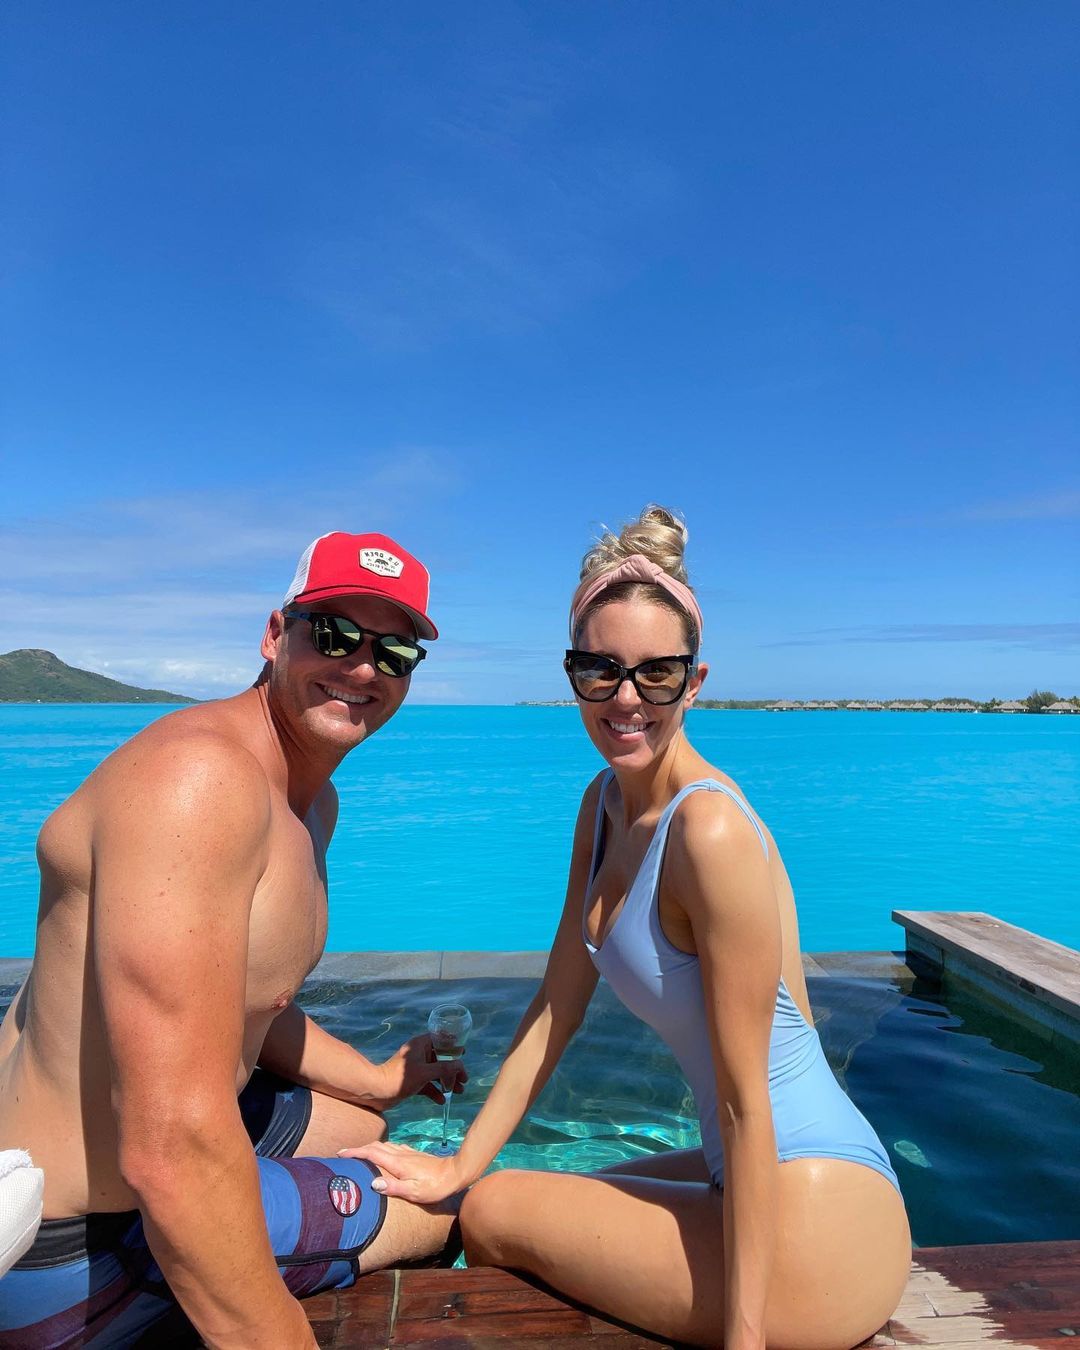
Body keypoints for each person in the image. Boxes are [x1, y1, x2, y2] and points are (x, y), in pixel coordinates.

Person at [345, 506, 912, 1350]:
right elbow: (555, 1008)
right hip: (771, 1179)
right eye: (600, 670)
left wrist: (745, 1339)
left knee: (494, 1213)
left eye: (658, 674)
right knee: (521, 1188)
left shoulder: (708, 832)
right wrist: (458, 1161)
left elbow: (744, 1103)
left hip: (819, 1221)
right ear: (571, 672)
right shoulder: (604, 804)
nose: (626, 699)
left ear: (696, 680)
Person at [0, 531, 465, 1348]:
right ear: (274, 635)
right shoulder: (199, 784)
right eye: (335, 635)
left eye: (393, 652)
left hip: (151, 1142)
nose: (364, 668)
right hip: (76, 1242)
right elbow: (172, 1150)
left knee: (368, 1132)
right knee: (442, 1206)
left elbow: (246, 994)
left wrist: (377, 1081)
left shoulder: (307, 802)